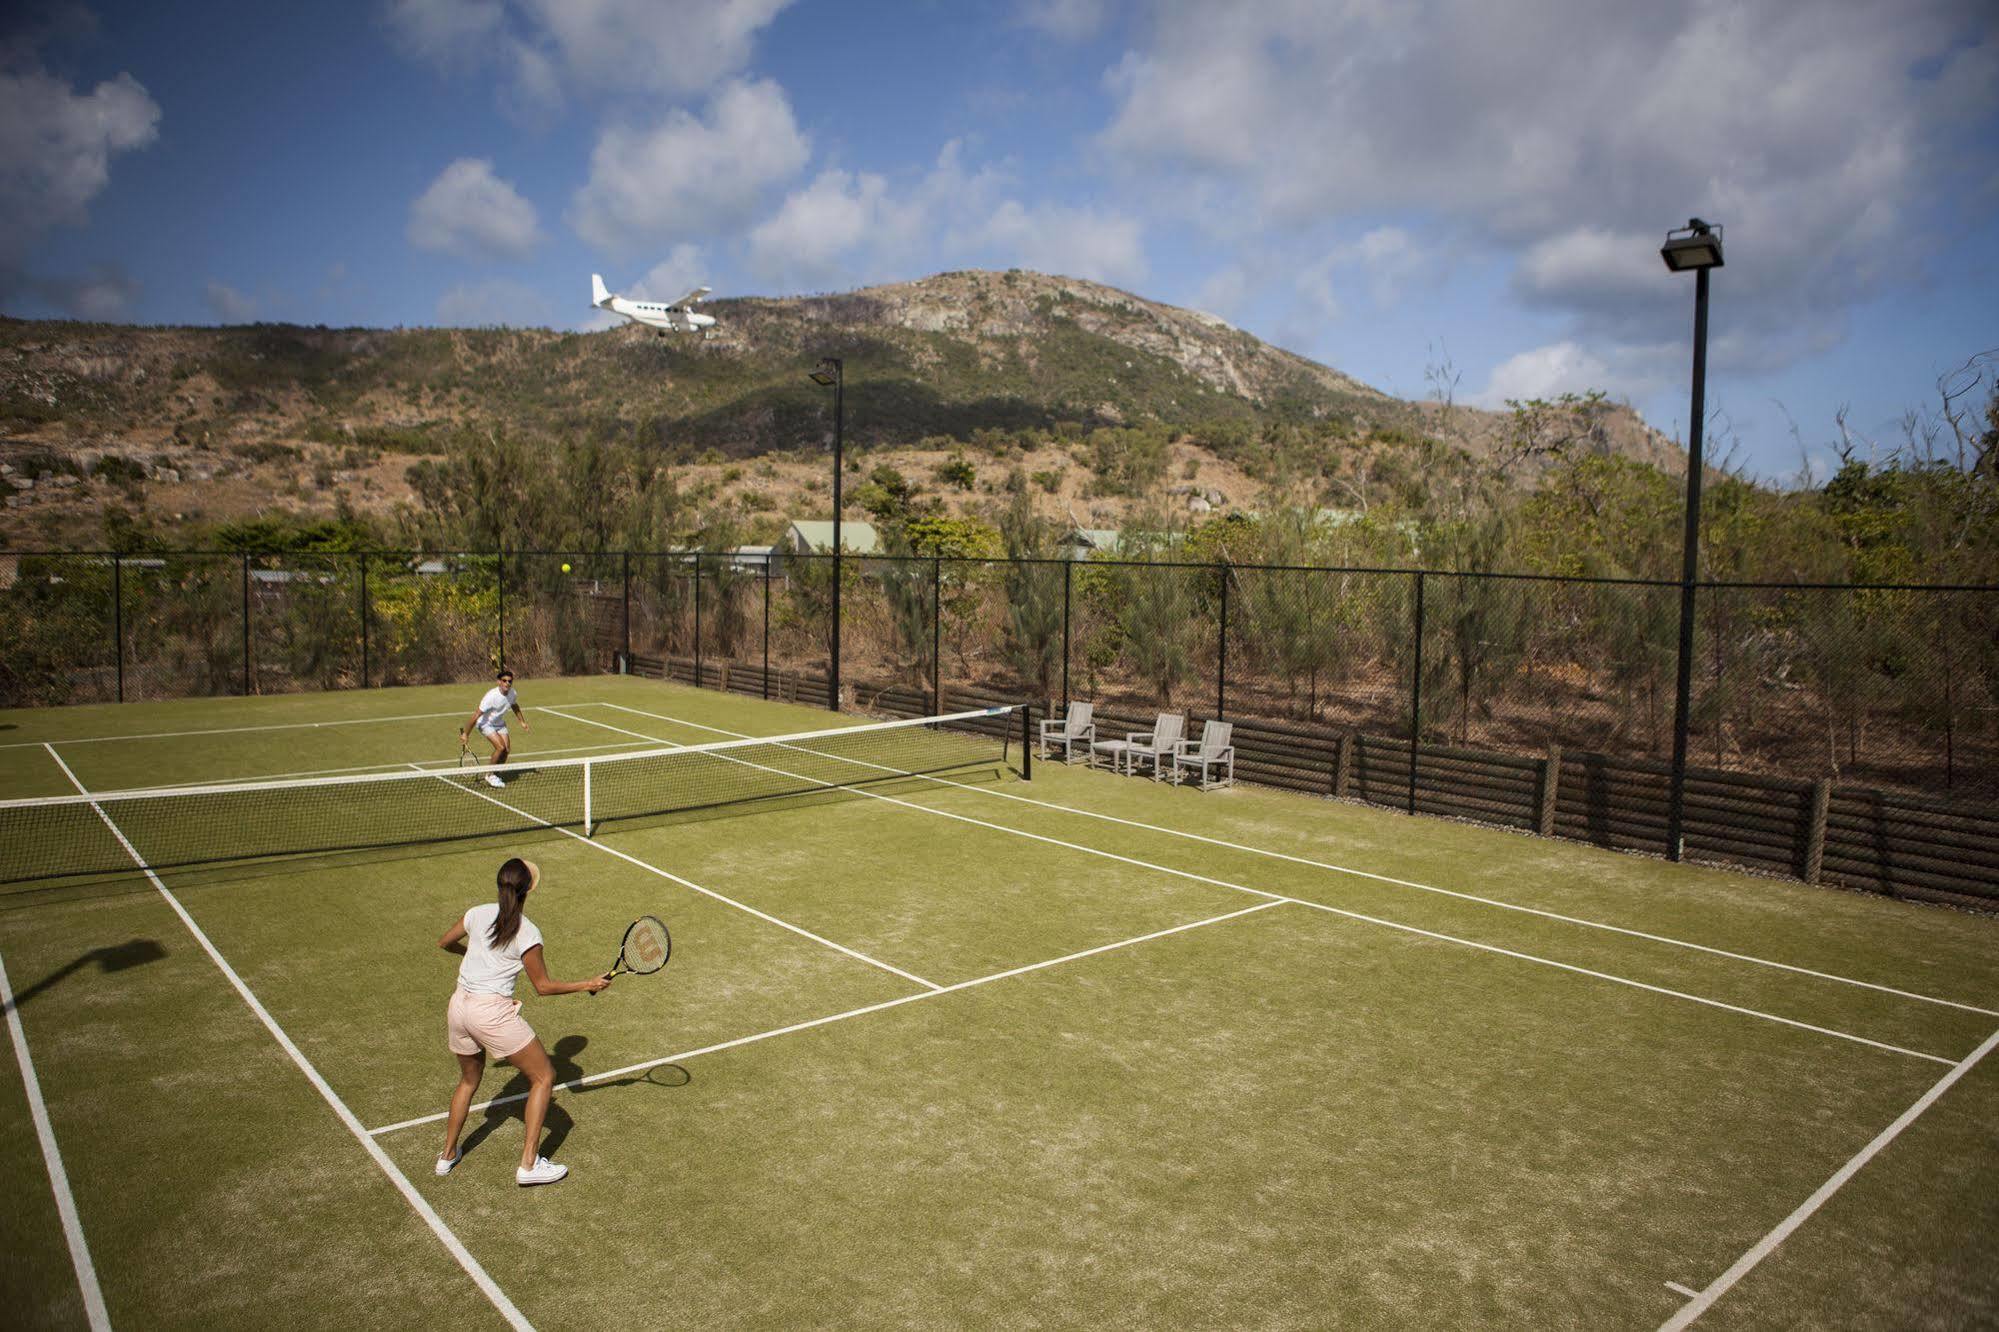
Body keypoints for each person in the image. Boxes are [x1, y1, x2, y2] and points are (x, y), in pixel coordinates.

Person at [435, 857, 610, 1185]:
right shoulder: (528, 932)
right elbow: (543, 987)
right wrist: (587, 983)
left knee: (468, 1081)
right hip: (491, 1014)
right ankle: (529, 1166)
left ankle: (446, 1156)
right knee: (544, 1076)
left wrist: (473, 957)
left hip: (459, 1006)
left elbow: (444, 942)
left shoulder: (476, 913)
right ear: (529, 889)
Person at [461, 669, 529, 788]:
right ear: (499, 682)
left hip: (499, 723)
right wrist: (466, 734)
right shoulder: (491, 697)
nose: (507, 683)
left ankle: (495, 774)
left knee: (506, 750)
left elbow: (515, 706)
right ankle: (490, 774)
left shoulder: (513, 693)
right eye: (504, 681)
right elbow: (476, 715)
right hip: (485, 723)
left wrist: (522, 722)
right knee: (500, 747)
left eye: (510, 681)